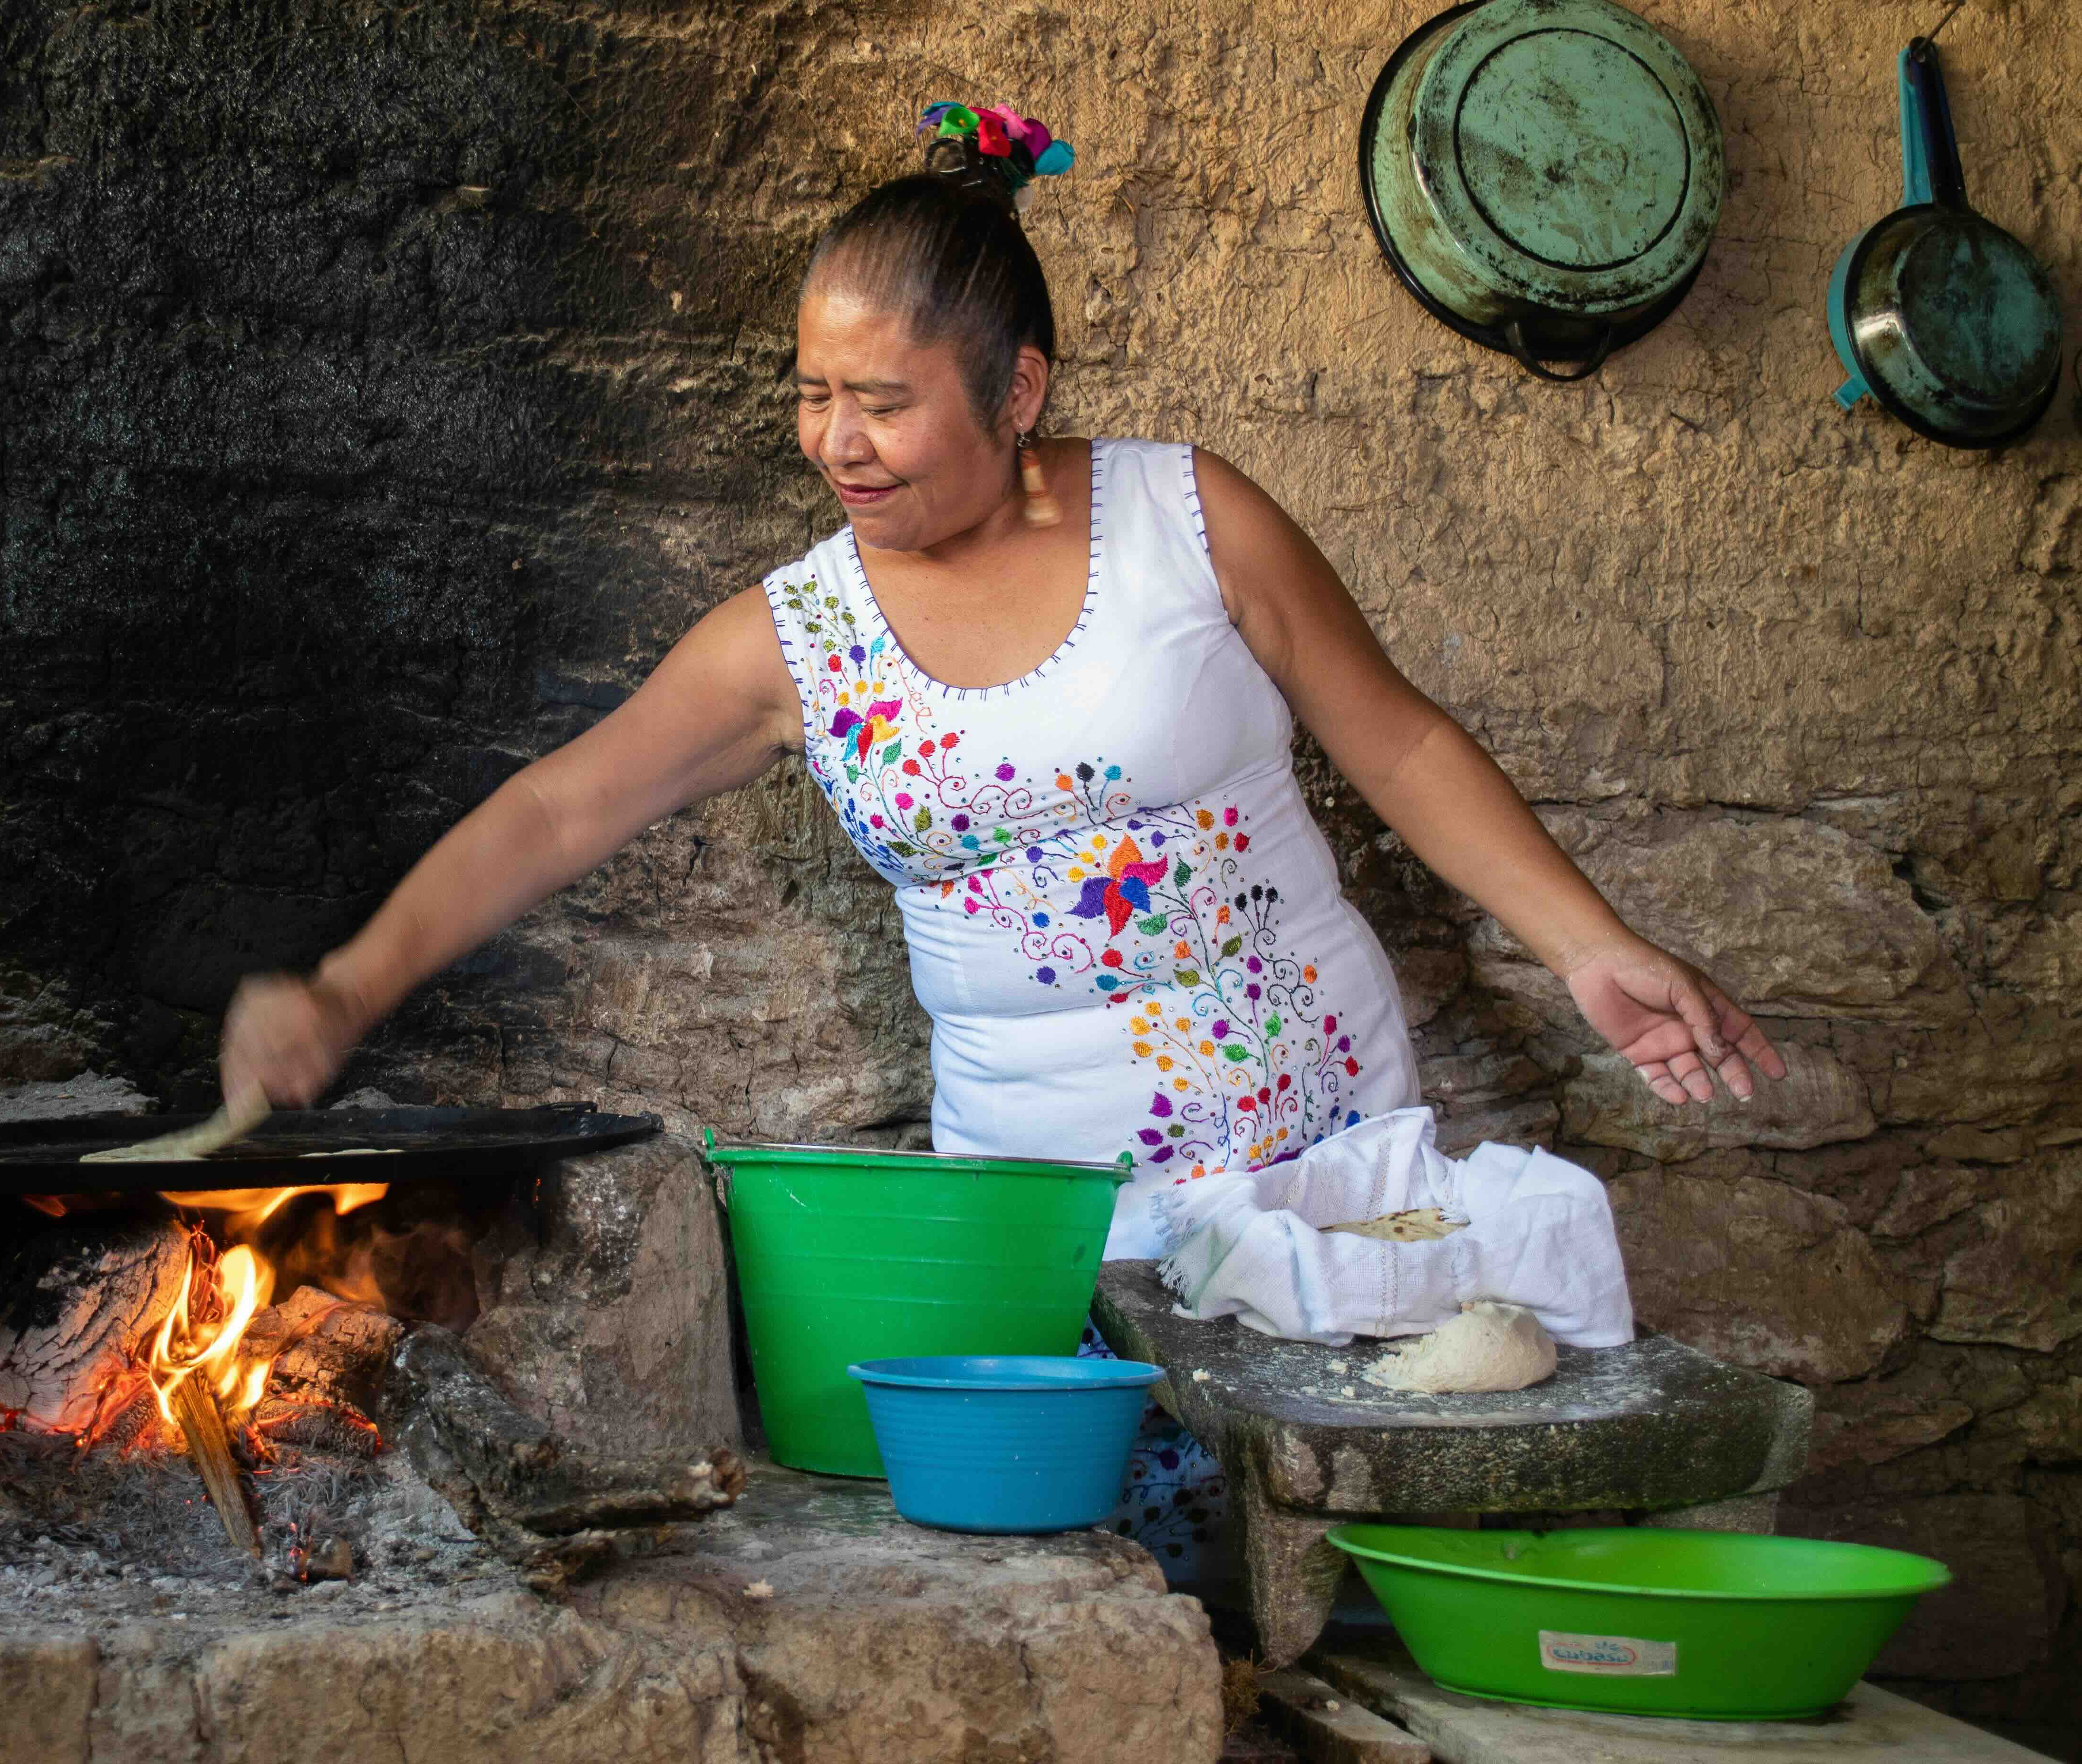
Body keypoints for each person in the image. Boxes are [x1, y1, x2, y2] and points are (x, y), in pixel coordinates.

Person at [220, 102, 1785, 1576]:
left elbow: (1401, 739)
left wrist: (1590, 945)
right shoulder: (801, 637)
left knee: (1346, 1545)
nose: (839, 442)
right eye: (814, 395)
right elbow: (563, 804)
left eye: (887, 403)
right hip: (1046, 1220)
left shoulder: (1190, 519)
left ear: (1017, 391)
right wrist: (352, 987)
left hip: (1313, 1164)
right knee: (1126, 1580)